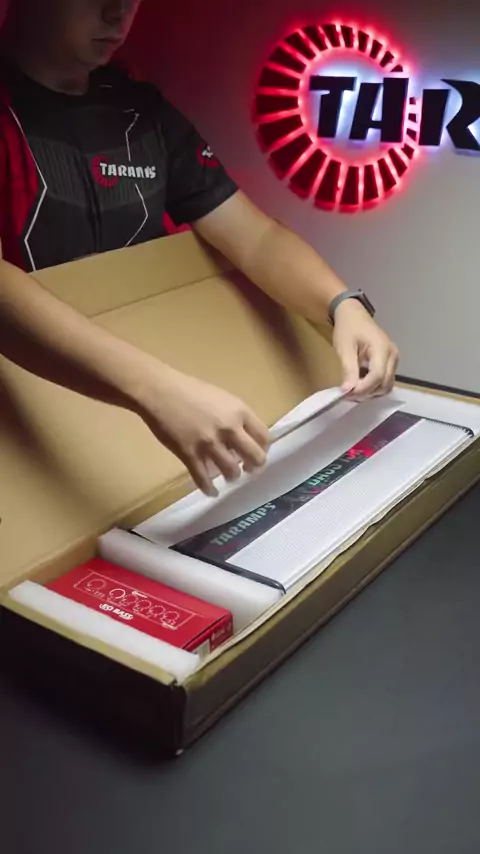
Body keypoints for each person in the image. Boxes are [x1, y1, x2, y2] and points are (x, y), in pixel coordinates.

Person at [0, 0, 399, 496]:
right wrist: (153, 390)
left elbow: (254, 237)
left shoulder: (140, 110)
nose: (119, 14)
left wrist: (342, 306)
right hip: (29, 423)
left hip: (139, 411)